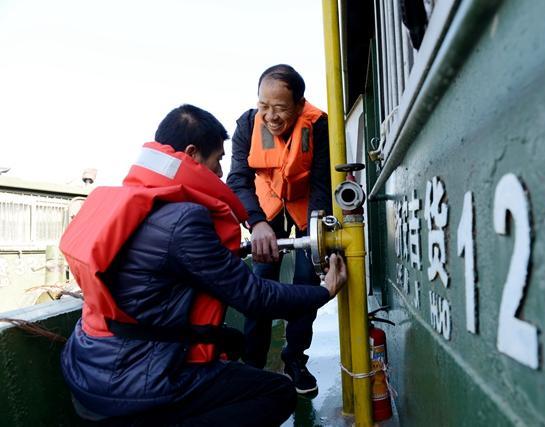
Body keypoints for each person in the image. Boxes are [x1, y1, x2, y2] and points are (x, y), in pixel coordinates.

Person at [59, 104, 346, 426]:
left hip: (89, 371)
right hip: (134, 385)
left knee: (231, 344)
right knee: (276, 392)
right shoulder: (183, 218)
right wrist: (323, 291)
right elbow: (253, 296)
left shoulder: (129, 203)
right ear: (193, 155)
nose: (222, 173)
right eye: (218, 160)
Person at [227, 64, 332, 394]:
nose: (271, 115)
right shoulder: (246, 124)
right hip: (265, 213)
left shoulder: (318, 125)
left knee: (306, 282)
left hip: (305, 212)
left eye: (281, 108)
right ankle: (253, 366)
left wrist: (315, 234)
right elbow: (237, 180)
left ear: (300, 105)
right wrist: (256, 222)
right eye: (264, 106)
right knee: (259, 284)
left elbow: (321, 184)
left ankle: (295, 360)